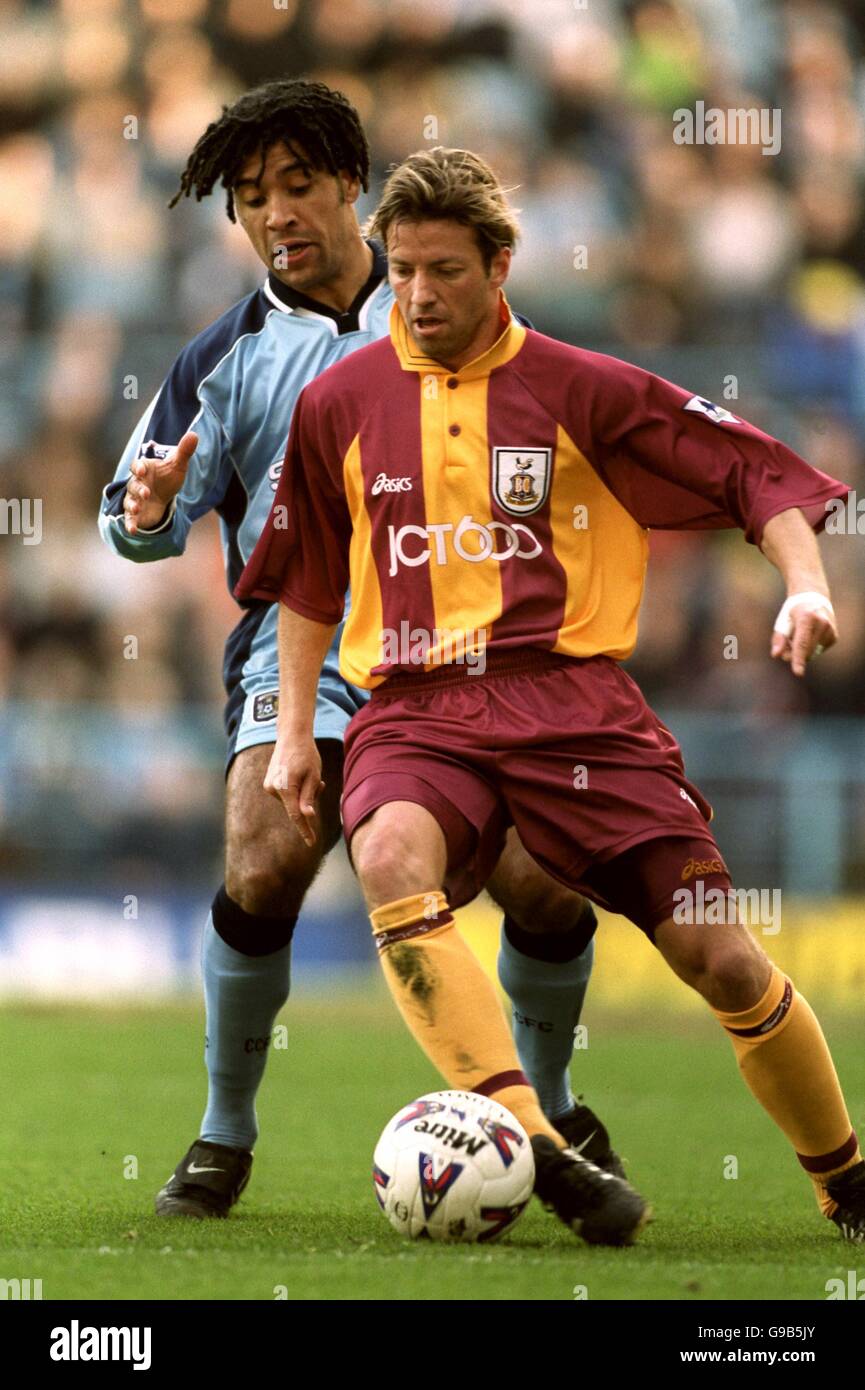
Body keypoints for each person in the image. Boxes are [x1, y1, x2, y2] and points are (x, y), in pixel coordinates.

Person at [238, 145, 865, 1243]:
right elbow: (303, 579)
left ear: (500, 264)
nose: (418, 295)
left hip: (575, 704)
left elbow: (756, 475)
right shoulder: (339, 400)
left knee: (719, 951)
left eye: (444, 270)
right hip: (415, 706)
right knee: (386, 852)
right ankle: (541, 1145)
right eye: (403, 269)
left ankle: (845, 1179)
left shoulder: (583, 387)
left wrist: (806, 589)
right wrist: (295, 731)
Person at [98, 80, 622, 1222]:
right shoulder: (221, 356)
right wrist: (146, 509)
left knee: (540, 874)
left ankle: (556, 1109)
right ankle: (222, 1132)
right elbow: (133, 525)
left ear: (352, 183)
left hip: (464, 647)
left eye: (295, 186)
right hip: (309, 655)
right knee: (263, 848)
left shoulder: (445, 308)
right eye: (248, 200)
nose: (275, 215)